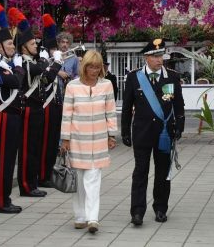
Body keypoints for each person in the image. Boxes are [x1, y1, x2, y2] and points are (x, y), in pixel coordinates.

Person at [121, 39, 185, 226]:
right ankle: (137, 212)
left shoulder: (172, 76)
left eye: (161, 56)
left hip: (164, 133)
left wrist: (179, 126)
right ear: (146, 57)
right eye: (155, 56)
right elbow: (126, 107)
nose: (159, 59)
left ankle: (160, 208)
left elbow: (178, 104)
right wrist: (125, 130)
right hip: (142, 132)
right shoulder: (134, 77)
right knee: (140, 172)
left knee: (162, 172)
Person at [61, 50, 118, 234]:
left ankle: (93, 218)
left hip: (99, 141)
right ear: (83, 67)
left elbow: (110, 111)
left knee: (93, 180)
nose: (94, 70)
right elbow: (67, 114)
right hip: (77, 140)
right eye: (90, 67)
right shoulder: (72, 86)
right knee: (78, 180)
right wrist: (65, 139)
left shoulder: (107, 85)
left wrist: (111, 135)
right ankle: (80, 216)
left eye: (97, 67)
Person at [10, 9, 62, 197]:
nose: (36, 46)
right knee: (26, 150)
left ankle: (32, 183)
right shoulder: (22, 62)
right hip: (28, 110)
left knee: (35, 148)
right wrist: (53, 61)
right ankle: (25, 185)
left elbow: (47, 79)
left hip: (38, 109)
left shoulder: (33, 61)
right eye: (32, 43)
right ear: (23, 46)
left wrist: (54, 64)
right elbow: (40, 69)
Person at [0, 2, 25, 214]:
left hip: (13, 117)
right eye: (9, 44)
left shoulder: (7, 65)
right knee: (2, 161)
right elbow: (17, 82)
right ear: (0, 47)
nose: (13, 47)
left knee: (10, 159)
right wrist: (18, 66)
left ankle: (5, 198)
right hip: (3, 118)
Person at [38, 14, 62, 187]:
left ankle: (48, 173)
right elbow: (46, 79)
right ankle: (42, 175)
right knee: (45, 143)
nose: (56, 51)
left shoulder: (51, 60)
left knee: (53, 143)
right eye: (53, 49)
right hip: (45, 105)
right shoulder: (43, 62)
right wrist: (56, 64)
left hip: (55, 105)